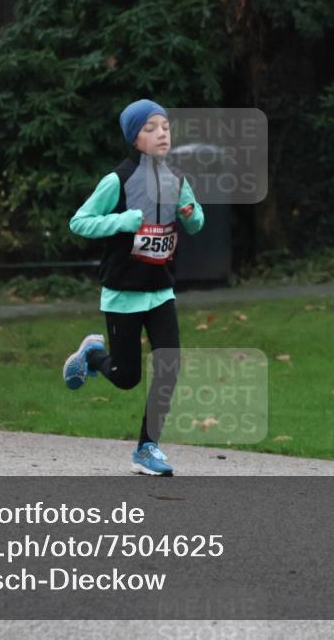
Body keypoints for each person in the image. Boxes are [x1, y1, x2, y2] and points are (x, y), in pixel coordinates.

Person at [63, 98, 205, 476]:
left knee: (169, 364)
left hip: (160, 291)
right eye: (150, 128)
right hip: (123, 293)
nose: (161, 134)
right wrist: (122, 221)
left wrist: (191, 214)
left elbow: (196, 221)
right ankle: (93, 356)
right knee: (127, 378)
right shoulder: (118, 180)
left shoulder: (177, 179)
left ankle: (147, 448)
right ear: (134, 138)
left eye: (165, 127)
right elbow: (80, 221)